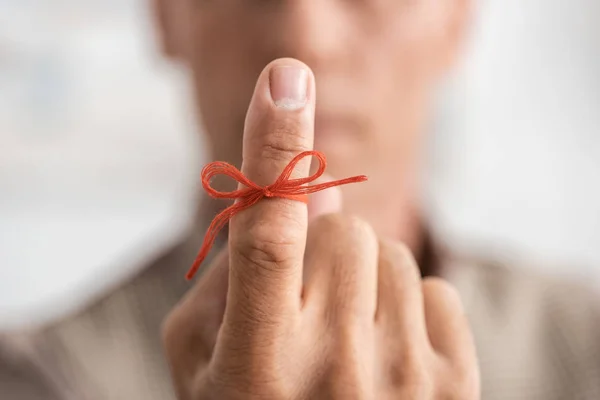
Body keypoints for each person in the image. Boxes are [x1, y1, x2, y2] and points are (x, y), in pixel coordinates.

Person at [1, 0, 599, 399]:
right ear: (165, 16)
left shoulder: (586, 348)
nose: (304, 36)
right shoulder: (40, 375)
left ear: (457, 20)